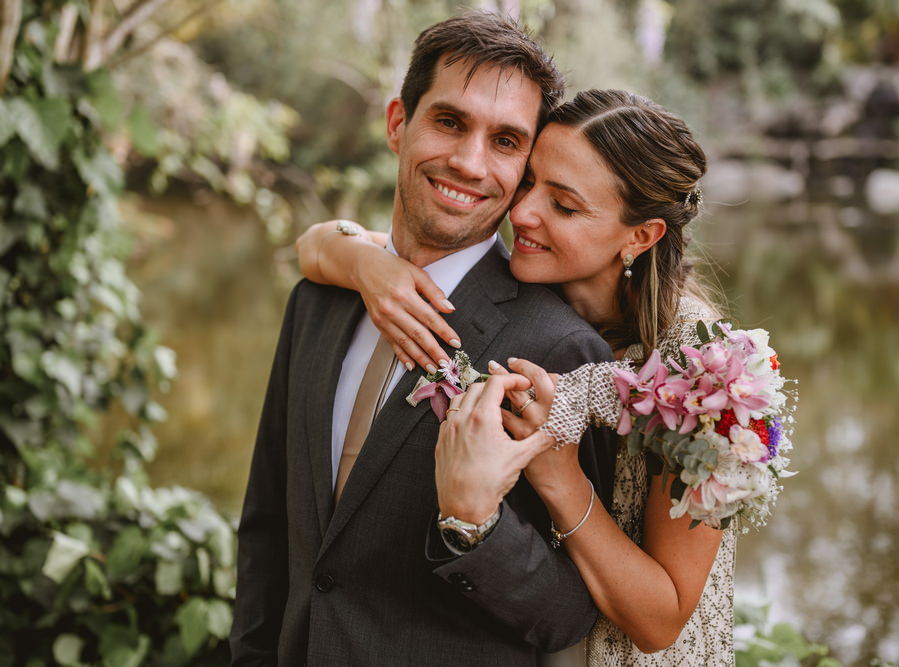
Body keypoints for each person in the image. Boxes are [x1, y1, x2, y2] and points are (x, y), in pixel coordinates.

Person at [230, 12, 620, 666]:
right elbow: (268, 526)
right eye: (449, 121)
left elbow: (567, 614)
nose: (470, 162)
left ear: (525, 166)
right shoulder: (318, 300)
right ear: (396, 123)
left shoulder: (562, 351)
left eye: (504, 141)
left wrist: (476, 527)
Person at [296, 89, 736, 665]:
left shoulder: (704, 368)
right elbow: (316, 244)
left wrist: (560, 476)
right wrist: (364, 266)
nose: (523, 212)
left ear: (640, 236)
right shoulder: (520, 285)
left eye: (565, 206)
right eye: (529, 182)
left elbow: (662, 620)